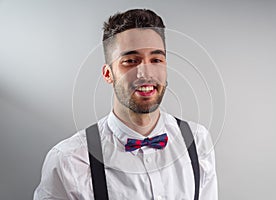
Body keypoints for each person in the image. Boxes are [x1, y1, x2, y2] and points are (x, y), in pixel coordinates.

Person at [33, 8, 218, 200]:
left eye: (156, 60)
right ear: (108, 74)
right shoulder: (69, 160)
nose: (146, 73)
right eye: (130, 61)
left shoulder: (198, 140)